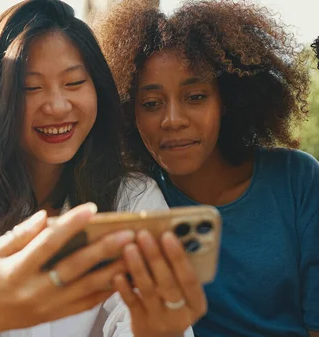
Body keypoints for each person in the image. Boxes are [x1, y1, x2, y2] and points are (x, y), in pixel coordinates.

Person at [0, 1, 207, 336]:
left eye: (73, 83)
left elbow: (142, 316)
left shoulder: (133, 197)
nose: (57, 106)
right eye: (31, 87)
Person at [95, 0, 319, 336]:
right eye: (152, 104)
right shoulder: (135, 203)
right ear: (129, 113)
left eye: (195, 96)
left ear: (226, 99)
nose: (173, 120)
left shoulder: (297, 179)